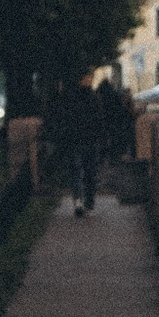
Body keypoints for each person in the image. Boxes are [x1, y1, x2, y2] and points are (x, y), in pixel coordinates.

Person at [49, 72, 104, 216]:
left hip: (77, 140)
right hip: (87, 140)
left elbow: (65, 119)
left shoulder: (71, 97)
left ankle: (82, 201)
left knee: (79, 172)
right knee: (87, 173)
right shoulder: (93, 97)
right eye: (88, 78)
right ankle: (86, 203)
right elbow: (99, 121)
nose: (89, 80)